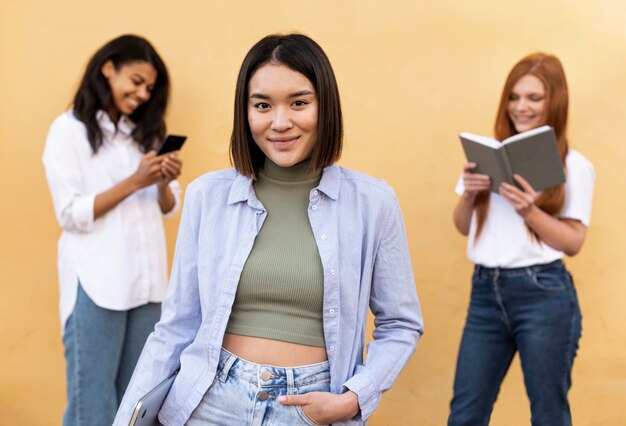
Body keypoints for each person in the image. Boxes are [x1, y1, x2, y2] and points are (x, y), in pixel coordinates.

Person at [113, 33, 423, 426]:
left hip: (311, 408)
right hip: (209, 401)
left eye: (299, 102)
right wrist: (126, 420)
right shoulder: (207, 196)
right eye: (262, 105)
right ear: (245, 112)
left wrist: (352, 399)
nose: (280, 122)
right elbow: (175, 326)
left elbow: (401, 324)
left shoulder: (372, 202)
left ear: (324, 106)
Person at [42, 34, 182, 426]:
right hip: (96, 285)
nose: (142, 94)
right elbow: (69, 213)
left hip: (148, 285)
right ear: (108, 68)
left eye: (149, 88)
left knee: (139, 406)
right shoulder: (68, 130)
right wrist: (136, 181)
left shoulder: (146, 135)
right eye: (136, 81)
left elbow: (170, 207)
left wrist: (159, 180)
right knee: (94, 408)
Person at [448, 53, 595, 426]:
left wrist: (530, 211)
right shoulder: (490, 156)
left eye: (534, 98)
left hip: (543, 293)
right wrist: (469, 192)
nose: (521, 107)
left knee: (548, 414)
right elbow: (463, 226)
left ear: (554, 102)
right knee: (465, 414)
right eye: (514, 97)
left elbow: (574, 241)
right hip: (485, 292)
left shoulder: (573, 165)